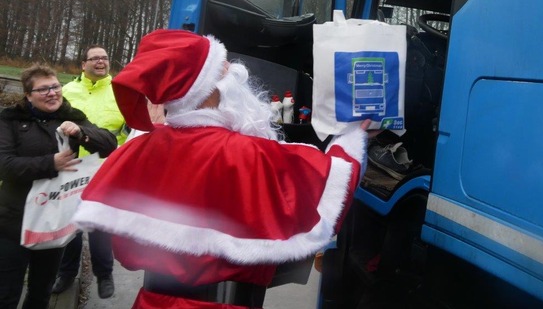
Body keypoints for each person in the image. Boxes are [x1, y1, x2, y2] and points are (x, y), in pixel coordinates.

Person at [73, 29, 371, 309]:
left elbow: (124, 249)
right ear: (209, 90)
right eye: (225, 72)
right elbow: (334, 178)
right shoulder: (251, 154)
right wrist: (353, 134)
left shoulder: (135, 151)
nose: (235, 77)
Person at [0, 64, 117, 309]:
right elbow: (5, 164)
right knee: (6, 292)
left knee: (41, 292)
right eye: (43, 89)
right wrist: (49, 163)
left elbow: (109, 143)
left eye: (55, 87)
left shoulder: (71, 116)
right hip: (13, 221)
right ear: (28, 94)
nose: (52, 93)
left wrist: (83, 133)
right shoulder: (10, 119)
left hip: (53, 222)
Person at [52, 46, 126, 299]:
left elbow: (131, 130)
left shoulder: (120, 91)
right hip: (71, 168)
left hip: (105, 168)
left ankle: (104, 274)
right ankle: (66, 273)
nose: (100, 62)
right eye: (94, 58)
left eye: (104, 58)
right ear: (83, 65)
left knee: (99, 226)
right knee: (69, 225)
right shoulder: (67, 91)